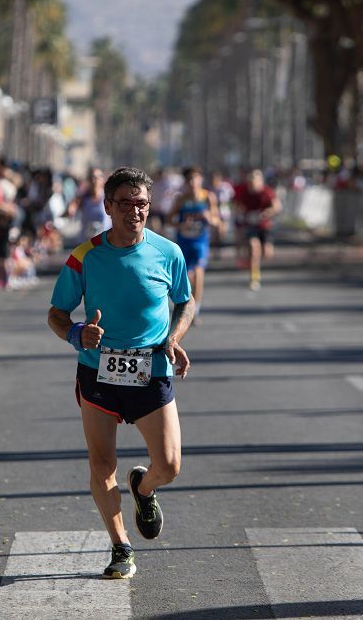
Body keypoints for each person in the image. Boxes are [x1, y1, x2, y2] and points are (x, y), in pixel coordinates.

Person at [47, 167, 194, 580]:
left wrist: (174, 337)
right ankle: (120, 546)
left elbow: (186, 302)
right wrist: (78, 332)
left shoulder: (169, 252)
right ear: (108, 206)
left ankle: (144, 488)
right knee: (101, 464)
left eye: (142, 203)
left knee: (169, 465)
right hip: (99, 371)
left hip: (152, 369)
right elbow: (56, 314)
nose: (136, 211)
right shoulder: (84, 256)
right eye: (126, 203)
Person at [170, 167, 219, 321]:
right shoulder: (181, 199)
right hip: (184, 241)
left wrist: (209, 218)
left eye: (195, 178)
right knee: (187, 276)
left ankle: (196, 308)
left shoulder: (208, 197)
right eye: (189, 179)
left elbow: (217, 220)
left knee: (198, 271)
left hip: (200, 241)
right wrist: (180, 225)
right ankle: (188, 305)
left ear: (200, 179)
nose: (192, 182)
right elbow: (169, 219)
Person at [234, 169, 281, 290]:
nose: (252, 184)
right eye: (250, 181)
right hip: (250, 225)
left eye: (254, 181)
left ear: (260, 181)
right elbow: (237, 206)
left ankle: (261, 256)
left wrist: (267, 212)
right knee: (254, 249)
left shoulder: (267, 192)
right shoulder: (244, 193)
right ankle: (254, 277)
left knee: (267, 254)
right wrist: (241, 214)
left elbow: (277, 206)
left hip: (264, 226)